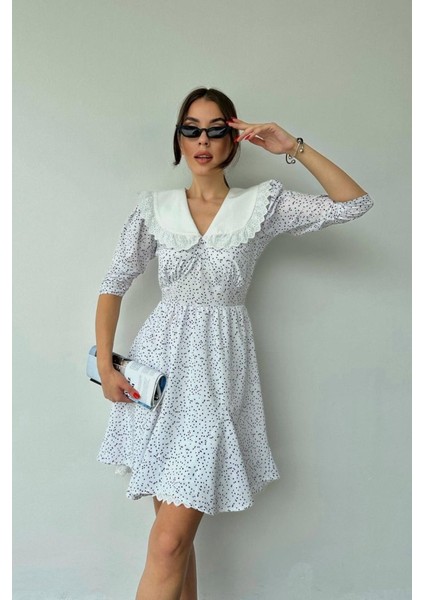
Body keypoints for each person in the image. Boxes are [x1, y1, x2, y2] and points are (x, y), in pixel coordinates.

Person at [94, 87, 373, 600]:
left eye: (215, 129)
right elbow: (113, 285)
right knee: (174, 544)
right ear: (179, 139)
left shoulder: (259, 206)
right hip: (157, 378)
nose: (203, 140)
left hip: (218, 374)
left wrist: (292, 146)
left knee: (168, 543)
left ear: (233, 138)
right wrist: (108, 368)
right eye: (191, 129)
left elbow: (354, 203)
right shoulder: (154, 208)